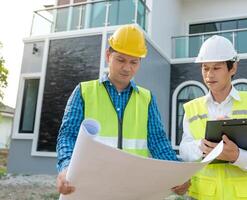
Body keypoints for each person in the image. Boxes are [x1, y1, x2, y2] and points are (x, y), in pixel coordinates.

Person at [56, 24, 178, 195]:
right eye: (121, 59)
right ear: (108, 55)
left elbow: (158, 142)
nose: (127, 68)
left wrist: (176, 174)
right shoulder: (84, 92)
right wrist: (67, 168)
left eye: (133, 62)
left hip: (132, 191)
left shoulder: (147, 98)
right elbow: (68, 136)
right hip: (91, 189)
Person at [177, 35, 247, 199]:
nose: (209, 75)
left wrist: (238, 156)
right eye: (205, 68)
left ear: (232, 68)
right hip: (205, 196)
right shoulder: (192, 108)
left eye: (216, 68)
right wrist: (201, 147)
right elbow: (184, 150)